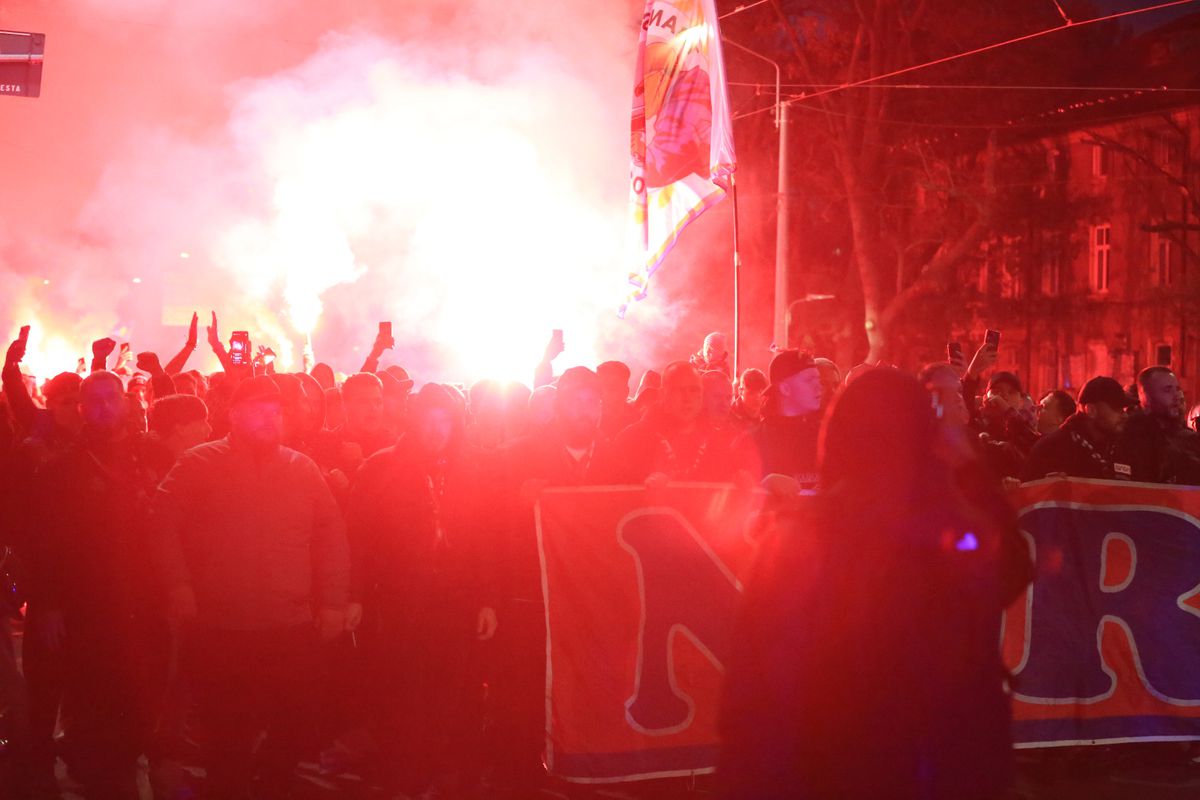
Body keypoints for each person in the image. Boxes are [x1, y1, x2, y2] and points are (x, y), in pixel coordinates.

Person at [719, 368, 1030, 800]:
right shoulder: (947, 529)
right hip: (937, 765)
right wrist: (969, 469)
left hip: (832, 763)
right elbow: (1010, 569)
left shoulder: (802, 535)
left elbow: (749, 689)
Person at [150, 376, 350, 799]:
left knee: (295, 723)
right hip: (222, 628)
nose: (269, 419)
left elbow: (331, 534)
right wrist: (178, 583)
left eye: (275, 411)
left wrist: (334, 600)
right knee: (227, 735)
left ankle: (271, 785)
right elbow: (161, 524)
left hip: (288, 625)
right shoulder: (199, 464)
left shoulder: (301, 469)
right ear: (234, 415)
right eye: (258, 411)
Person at [346, 383, 498, 797]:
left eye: (444, 421)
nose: (437, 429)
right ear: (415, 423)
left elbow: (485, 540)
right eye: (429, 420)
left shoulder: (472, 470)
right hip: (400, 601)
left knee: (456, 695)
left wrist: (487, 599)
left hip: (457, 603)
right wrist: (355, 595)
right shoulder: (381, 468)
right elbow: (359, 539)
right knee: (403, 693)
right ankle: (405, 777)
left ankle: (448, 778)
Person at [32, 371, 162, 799]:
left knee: (138, 688)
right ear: (82, 408)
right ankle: (100, 774)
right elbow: (45, 540)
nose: (104, 406)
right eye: (95, 400)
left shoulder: (150, 454)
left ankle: (122, 764)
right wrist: (48, 603)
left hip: (144, 596)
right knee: (93, 693)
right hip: (88, 600)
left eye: (112, 397)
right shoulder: (63, 468)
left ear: (125, 401)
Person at [496, 367, 614, 794]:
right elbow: (486, 523)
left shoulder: (618, 457)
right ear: (560, 404)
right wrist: (518, 501)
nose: (587, 411)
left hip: (591, 600)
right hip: (535, 596)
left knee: (586, 684)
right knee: (529, 687)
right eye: (578, 401)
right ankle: (521, 773)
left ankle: (582, 767)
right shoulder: (519, 455)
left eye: (593, 401)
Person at [612, 361, 736, 484]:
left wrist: (739, 481)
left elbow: (727, 485)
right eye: (679, 390)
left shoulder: (717, 443)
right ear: (663, 395)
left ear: (701, 396)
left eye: (694, 390)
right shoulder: (632, 440)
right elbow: (613, 487)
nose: (687, 399)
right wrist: (644, 482)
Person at [741, 350, 824, 491]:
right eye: (809, 380)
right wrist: (761, 488)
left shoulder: (826, 438)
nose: (819, 387)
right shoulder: (754, 442)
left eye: (818, 380)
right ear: (785, 388)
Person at [1023, 376, 1130, 482]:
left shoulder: (1122, 448)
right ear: (1091, 410)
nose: (1124, 415)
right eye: (1117, 409)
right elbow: (1028, 490)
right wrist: (1047, 486)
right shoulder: (1052, 449)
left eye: (1124, 409)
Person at [1117, 366, 1200, 485]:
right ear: (1146, 397)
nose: (1176, 396)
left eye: (1177, 389)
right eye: (1167, 390)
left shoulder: (1191, 440)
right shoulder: (1130, 439)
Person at [596, 360, 638, 441]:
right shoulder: (590, 420)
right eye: (600, 388)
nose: (604, 392)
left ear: (626, 391)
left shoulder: (636, 422)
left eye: (611, 387)